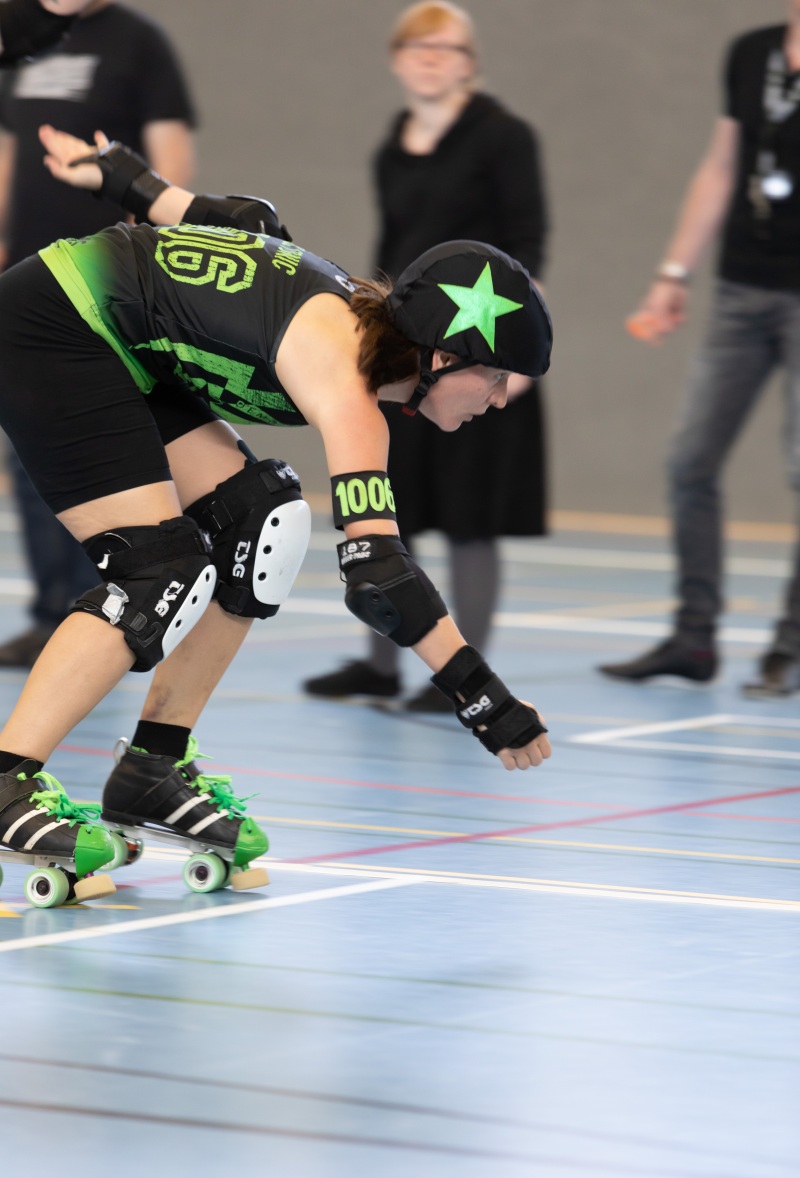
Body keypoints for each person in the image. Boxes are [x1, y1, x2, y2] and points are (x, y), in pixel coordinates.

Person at [0, 125, 553, 908]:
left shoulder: (349, 317)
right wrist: (484, 699)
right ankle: (6, 780)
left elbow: (242, 223)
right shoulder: (347, 382)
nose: (499, 399)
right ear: (442, 355)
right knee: (158, 572)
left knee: (261, 521)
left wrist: (126, 179)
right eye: (494, 377)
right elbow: (380, 578)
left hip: (122, 345)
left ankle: (153, 767)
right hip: (55, 329)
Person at [304, 2, 549, 712]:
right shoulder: (393, 145)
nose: (432, 59)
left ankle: (462, 670)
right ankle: (380, 663)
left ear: (470, 63)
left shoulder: (504, 136)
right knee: (389, 506)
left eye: (447, 48)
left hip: (479, 361)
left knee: (471, 519)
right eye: (419, 48)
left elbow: (527, 249)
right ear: (398, 60)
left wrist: (509, 369)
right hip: (412, 360)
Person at [600, 1, 800, 698]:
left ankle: (789, 647)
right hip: (743, 289)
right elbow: (722, 168)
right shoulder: (752, 51)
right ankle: (693, 637)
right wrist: (673, 274)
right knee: (690, 461)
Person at [0, 0, 196, 667]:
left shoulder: (141, 43)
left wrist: (152, 267)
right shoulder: (26, 36)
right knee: (31, 458)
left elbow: (172, 163)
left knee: (114, 452)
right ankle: (55, 613)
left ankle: (120, 604)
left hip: (108, 286)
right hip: (30, 287)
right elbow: (10, 152)